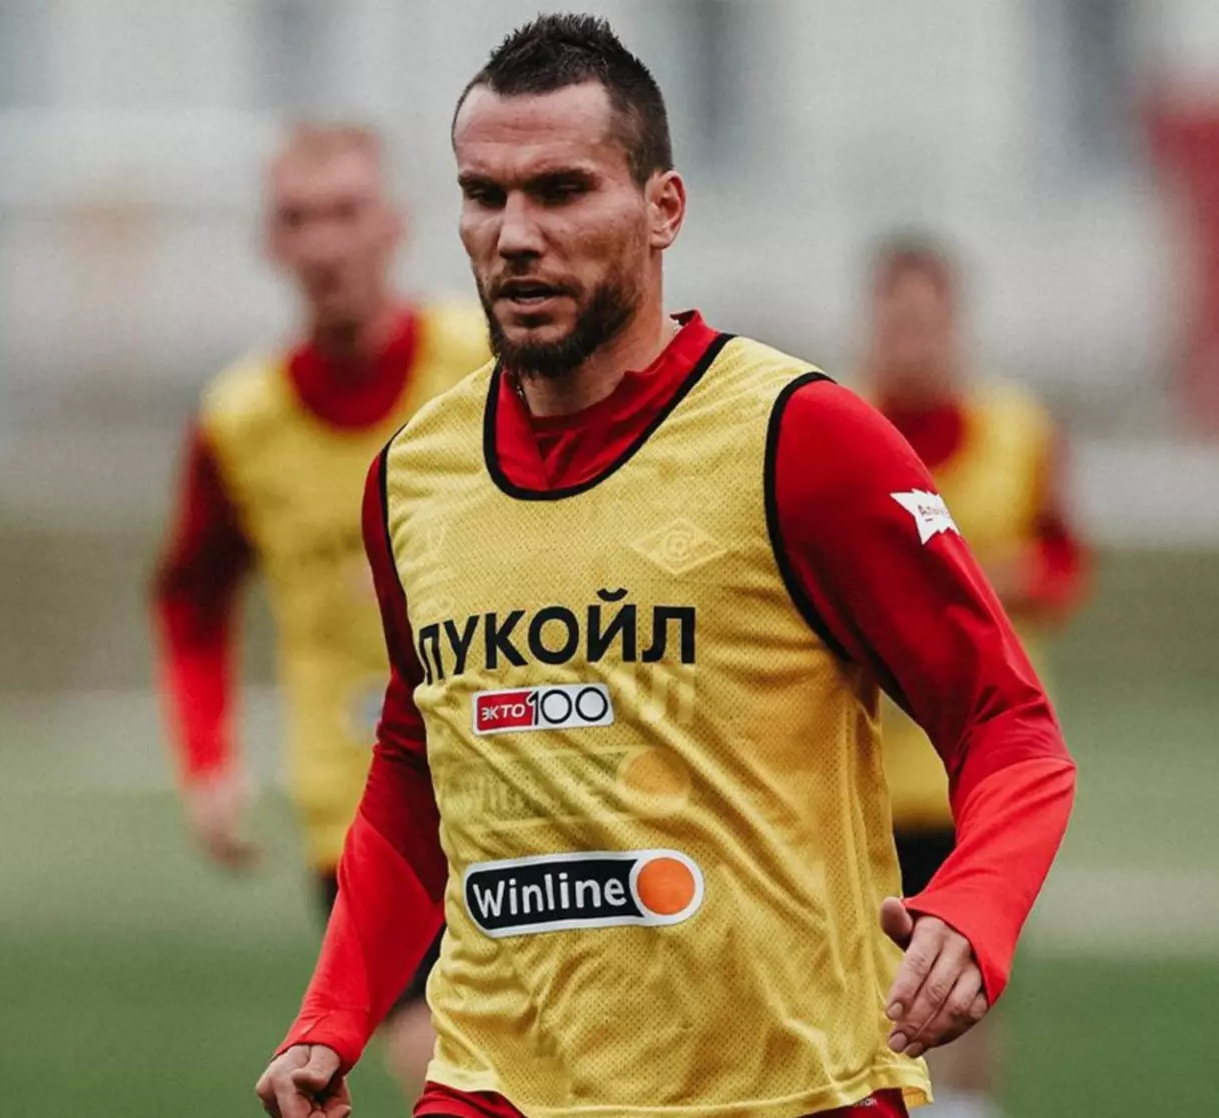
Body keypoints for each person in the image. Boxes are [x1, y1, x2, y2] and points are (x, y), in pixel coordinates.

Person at [256, 16, 1076, 1118]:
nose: (514, 235)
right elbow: (414, 766)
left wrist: (976, 905)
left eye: (561, 190)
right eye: (485, 195)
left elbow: (1007, 724)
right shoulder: (413, 475)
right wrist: (332, 1013)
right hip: (493, 1086)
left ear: (663, 209)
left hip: (792, 1092)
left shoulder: (801, 438)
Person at [152, 123, 486, 1101]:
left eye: (346, 212)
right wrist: (208, 758)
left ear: (394, 225)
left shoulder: (482, 366)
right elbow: (191, 595)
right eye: (300, 218)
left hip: (518, 769)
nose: (325, 242)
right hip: (360, 812)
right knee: (440, 1062)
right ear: (271, 241)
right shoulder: (240, 421)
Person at [856, 233, 1089, 1118]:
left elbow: (1065, 562)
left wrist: (991, 583)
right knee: (861, 977)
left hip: (978, 766)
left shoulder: (1016, 432)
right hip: (863, 770)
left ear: (956, 325)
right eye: (897, 321)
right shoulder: (839, 427)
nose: (912, 340)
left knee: (966, 978)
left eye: (927, 321)